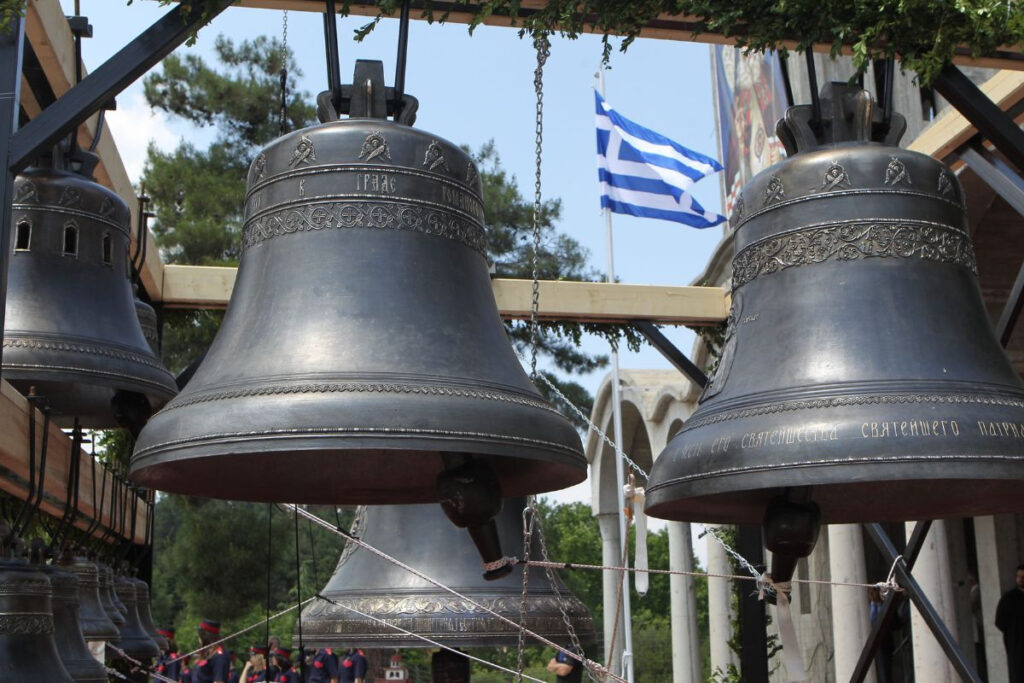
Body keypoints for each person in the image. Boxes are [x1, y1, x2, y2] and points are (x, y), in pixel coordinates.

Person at [996, 564, 1024, 683]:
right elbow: (1000, 622)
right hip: (1016, 646)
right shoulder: (1008, 599)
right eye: (1018, 576)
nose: (1020, 579)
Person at [193, 618, 232, 683]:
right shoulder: (207, 653)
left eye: (199, 634)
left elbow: (218, 681)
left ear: (205, 636)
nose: (198, 637)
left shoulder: (219, 656)